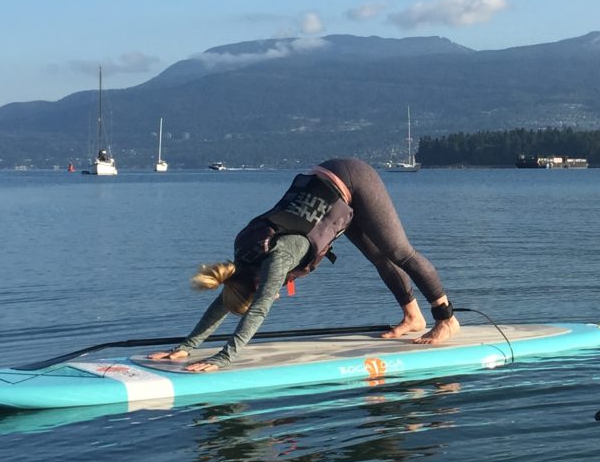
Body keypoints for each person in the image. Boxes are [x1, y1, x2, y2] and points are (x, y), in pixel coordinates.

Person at [148, 158, 455, 372]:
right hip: (328, 186)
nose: (274, 294)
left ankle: (446, 319)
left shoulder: (275, 259)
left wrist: (225, 357)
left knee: (399, 252)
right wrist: (186, 345)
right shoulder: (242, 266)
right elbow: (226, 300)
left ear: (256, 288)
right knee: (377, 257)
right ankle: (413, 317)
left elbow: (258, 309)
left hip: (352, 177)